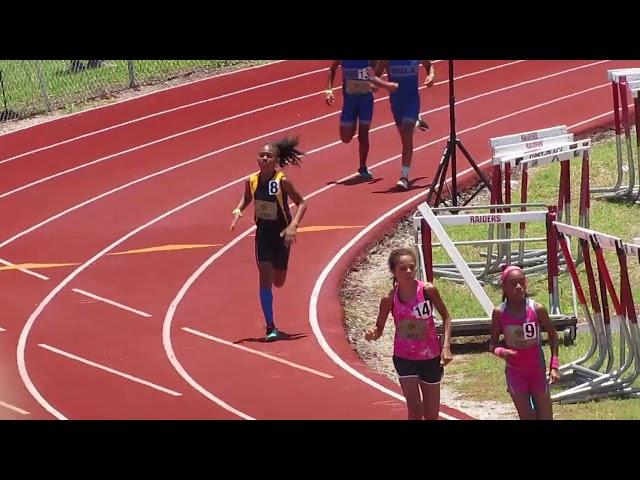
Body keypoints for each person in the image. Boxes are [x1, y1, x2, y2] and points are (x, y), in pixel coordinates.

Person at [230, 136, 308, 341]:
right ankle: (270, 326)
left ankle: (279, 267)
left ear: (276, 160)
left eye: (269, 156)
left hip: (282, 235)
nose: (264, 158)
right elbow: (248, 197)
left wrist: (293, 226)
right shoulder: (251, 181)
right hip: (263, 234)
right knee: (264, 278)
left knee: (279, 281)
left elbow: (302, 203)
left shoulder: (282, 181)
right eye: (261, 155)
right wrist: (239, 209)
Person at [365, 248, 453, 420]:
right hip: (404, 358)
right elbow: (379, 329)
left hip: (430, 357)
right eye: (403, 268)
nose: (408, 272)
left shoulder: (428, 290)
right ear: (393, 271)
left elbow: (447, 318)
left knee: (431, 414)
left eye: (412, 267)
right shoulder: (389, 299)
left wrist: (446, 346)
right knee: (414, 409)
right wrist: (371, 334)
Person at [489, 266, 560, 420]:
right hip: (515, 373)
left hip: (537, 371)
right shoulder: (499, 313)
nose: (519, 287)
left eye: (522, 282)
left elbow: (553, 336)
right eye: (513, 283)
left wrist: (554, 366)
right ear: (504, 287)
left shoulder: (537, 309)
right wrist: (502, 352)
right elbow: (492, 345)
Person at [325, 60, 398, 180]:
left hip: (366, 101)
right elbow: (332, 69)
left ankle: (363, 166)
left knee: (363, 135)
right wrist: (328, 90)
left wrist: (377, 82)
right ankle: (352, 124)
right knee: (345, 137)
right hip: (349, 102)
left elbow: (380, 68)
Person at [374, 60, 435, 190]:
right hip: (396, 103)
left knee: (407, 135)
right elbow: (375, 77)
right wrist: (385, 85)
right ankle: (416, 121)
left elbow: (429, 66)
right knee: (404, 137)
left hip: (412, 100)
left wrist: (431, 76)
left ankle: (404, 177)